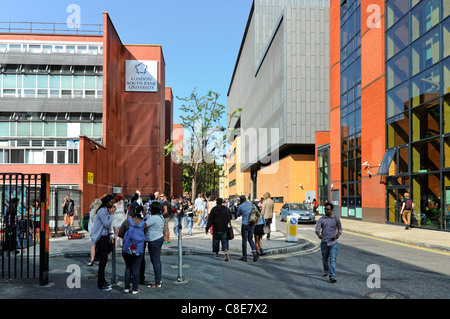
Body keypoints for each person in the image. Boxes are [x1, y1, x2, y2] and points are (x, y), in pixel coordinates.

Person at [118, 205, 147, 294]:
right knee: (136, 268)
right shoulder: (144, 223)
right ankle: (135, 288)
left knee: (128, 267)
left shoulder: (127, 222)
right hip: (138, 248)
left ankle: (126, 287)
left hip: (127, 248)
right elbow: (144, 235)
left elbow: (120, 234)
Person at [91, 194, 116, 291]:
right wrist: (112, 214)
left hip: (105, 237)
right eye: (111, 202)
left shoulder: (106, 210)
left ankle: (103, 281)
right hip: (101, 238)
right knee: (102, 261)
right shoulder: (102, 211)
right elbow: (106, 224)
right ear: (106, 202)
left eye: (113, 203)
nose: (112, 204)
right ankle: (100, 284)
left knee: (104, 260)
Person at [315, 202, 342, 283]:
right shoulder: (321, 219)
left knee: (333, 260)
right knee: (325, 259)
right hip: (324, 242)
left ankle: (332, 276)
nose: (326, 210)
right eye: (325, 209)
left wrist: (337, 236)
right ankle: (326, 271)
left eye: (327, 209)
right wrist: (319, 235)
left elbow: (340, 230)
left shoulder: (336, 219)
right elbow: (317, 229)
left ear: (332, 210)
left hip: (333, 243)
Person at [146, 201, 165, 288]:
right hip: (159, 238)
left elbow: (144, 225)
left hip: (154, 240)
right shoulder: (160, 217)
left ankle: (157, 282)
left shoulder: (154, 218)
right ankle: (158, 279)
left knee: (155, 261)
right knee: (157, 260)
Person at [236, 195, 258, 262]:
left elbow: (238, 214)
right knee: (250, 239)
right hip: (252, 223)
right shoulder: (251, 204)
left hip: (245, 224)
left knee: (244, 240)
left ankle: (244, 256)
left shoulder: (241, 206)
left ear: (240, 200)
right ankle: (254, 252)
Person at [86, 198, 102, 266]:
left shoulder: (92, 212)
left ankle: (92, 260)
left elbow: (90, 223)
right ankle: (103, 260)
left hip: (94, 231)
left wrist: (90, 232)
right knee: (101, 247)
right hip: (101, 231)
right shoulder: (101, 211)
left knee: (93, 246)